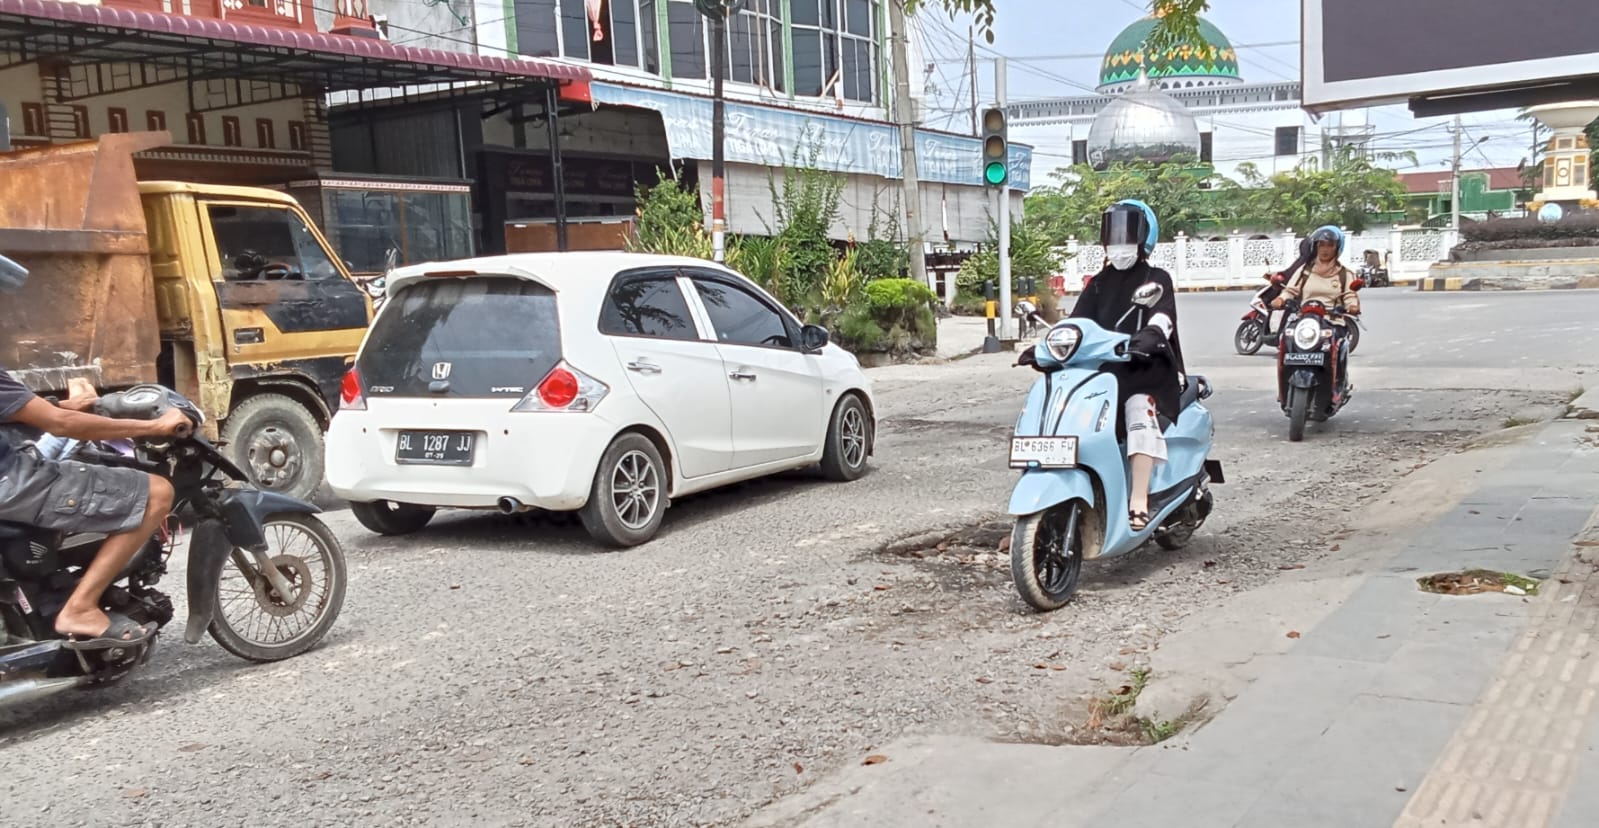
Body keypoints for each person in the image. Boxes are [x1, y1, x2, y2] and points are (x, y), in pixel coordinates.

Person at [0, 369, 192, 647]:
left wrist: (67, 406)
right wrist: (156, 426)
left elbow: (32, 412)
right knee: (158, 492)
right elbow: (60, 424)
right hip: (12, 482)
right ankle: (81, 606)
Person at [1069, 199, 1186, 531]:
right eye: (1113, 238)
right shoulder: (1099, 283)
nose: (1119, 246)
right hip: (1105, 371)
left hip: (1146, 370)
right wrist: (1049, 347)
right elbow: (1077, 322)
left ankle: (1138, 500)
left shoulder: (1156, 277)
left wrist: (1151, 334)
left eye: (1127, 237)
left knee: (1138, 413)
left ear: (1143, 240)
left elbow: (1163, 317)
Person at [1272, 225, 1361, 389]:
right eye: (1321, 245)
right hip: (1306, 320)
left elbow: (1349, 295)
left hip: (1332, 321)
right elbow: (1291, 289)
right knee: (1286, 340)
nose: (1325, 249)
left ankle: (1338, 384)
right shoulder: (1304, 271)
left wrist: (1352, 306)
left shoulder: (1345, 274)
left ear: (1337, 248)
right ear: (1315, 246)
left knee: (1337, 347)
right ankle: (1284, 388)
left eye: (1330, 245)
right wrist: (1281, 299)